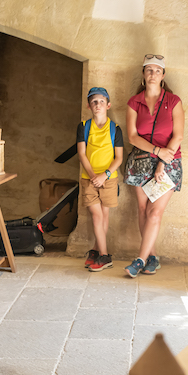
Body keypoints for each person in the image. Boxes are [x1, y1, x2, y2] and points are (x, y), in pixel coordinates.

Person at [123, 55, 184, 278]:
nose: (153, 74)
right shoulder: (134, 102)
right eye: (149, 70)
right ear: (143, 73)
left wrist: (161, 161)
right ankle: (152, 257)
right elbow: (132, 136)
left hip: (168, 162)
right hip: (140, 161)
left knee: (154, 212)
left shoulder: (174, 101)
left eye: (157, 70)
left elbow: (178, 136)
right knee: (142, 210)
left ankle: (139, 259)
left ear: (163, 75)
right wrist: (155, 151)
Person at [78, 86, 124, 272]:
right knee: (96, 216)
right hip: (88, 178)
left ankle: (98, 252)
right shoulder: (83, 127)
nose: (98, 105)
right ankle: (105, 255)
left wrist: (103, 175)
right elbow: (81, 154)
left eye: (101, 102)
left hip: (109, 179)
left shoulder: (115, 129)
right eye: (94, 102)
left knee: (104, 216)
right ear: (89, 106)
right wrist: (93, 177)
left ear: (108, 105)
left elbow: (118, 158)